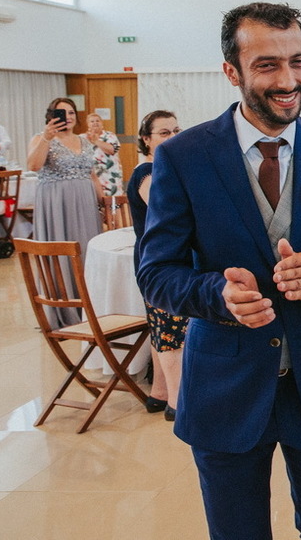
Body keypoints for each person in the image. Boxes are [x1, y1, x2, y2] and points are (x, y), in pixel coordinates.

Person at [138, 1, 301, 540]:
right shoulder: (183, 156)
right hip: (224, 387)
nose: (289, 80)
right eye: (268, 65)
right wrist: (217, 294)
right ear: (231, 72)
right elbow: (156, 272)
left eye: (297, 61)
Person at [126, 110, 187, 421]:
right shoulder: (147, 172)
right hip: (160, 259)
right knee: (171, 326)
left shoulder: (165, 169)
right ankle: (177, 402)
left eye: (176, 130)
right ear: (146, 140)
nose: (173, 137)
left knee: (160, 324)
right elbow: (168, 210)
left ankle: (159, 393)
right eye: (164, 133)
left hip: (161, 255)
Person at [26, 97, 101, 325]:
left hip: (86, 204)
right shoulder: (41, 138)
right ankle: (64, 305)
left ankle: (91, 305)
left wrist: (105, 204)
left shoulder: (84, 141)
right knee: (61, 251)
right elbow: (33, 166)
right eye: (61, 113)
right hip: (56, 204)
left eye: (71, 113)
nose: (67, 117)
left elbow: (92, 175)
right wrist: (47, 137)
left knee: (87, 249)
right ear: (51, 116)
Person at [85, 113, 123, 197]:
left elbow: (113, 150)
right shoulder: (83, 137)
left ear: (102, 123)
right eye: (92, 121)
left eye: (97, 121)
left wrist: (96, 141)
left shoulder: (110, 135)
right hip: (92, 176)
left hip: (110, 175)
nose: (95, 123)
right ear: (88, 124)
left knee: (113, 201)